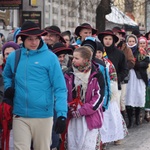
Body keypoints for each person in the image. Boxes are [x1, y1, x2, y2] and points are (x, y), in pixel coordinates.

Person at [3, 21, 68, 150]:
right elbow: (7, 75)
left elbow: (60, 88)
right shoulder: (14, 57)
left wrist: (61, 114)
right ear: (22, 39)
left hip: (43, 115)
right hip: (20, 114)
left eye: (36, 38)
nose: (34, 42)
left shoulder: (50, 58)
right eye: (30, 39)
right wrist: (8, 87)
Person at [62, 46, 104, 150]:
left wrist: (83, 110)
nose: (73, 60)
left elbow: (99, 97)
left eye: (76, 58)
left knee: (87, 146)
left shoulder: (96, 75)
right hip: (72, 117)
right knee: (73, 145)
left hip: (89, 116)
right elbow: (63, 93)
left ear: (86, 60)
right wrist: (68, 107)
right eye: (73, 58)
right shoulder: (68, 74)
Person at [125, 34, 149, 128]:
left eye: (133, 41)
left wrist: (135, 64)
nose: (131, 43)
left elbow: (146, 62)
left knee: (138, 96)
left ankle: (137, 118)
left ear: (136, 42)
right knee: (128, 97)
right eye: (129, 41)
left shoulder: (140, 51)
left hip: (138, 76)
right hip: (128, 76)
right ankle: (130, 120)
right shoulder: (125, 51)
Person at [112, 26, 135, 119]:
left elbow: (131, 62)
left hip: (122, 77)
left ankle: (123, 119)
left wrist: (123, 68)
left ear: (121, 36)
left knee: (122, 99)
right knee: (114, 99)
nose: (116, 36)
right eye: (114, 34)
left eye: (117, 34)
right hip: (111, 77)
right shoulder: (108, 48)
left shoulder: (126, 48)